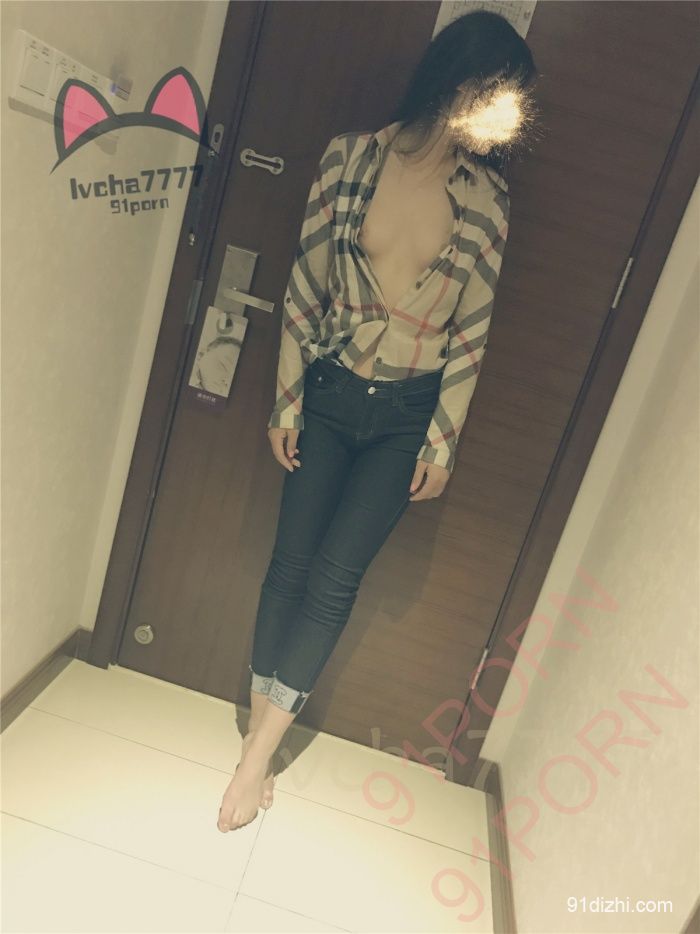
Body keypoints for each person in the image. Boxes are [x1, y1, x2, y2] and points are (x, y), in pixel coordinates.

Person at [218, 9, 537, 833]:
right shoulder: (350, 158)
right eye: (495, 97)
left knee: (335, 580)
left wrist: (443, 441)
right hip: (327, 393)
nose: (500, 121)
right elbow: (304, 287)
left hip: (404, 416)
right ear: (457, 81)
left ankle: (256, 756)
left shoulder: (488, 200)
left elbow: (472, 331)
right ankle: (258, 733)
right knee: (289, 564)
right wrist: (287, 399)